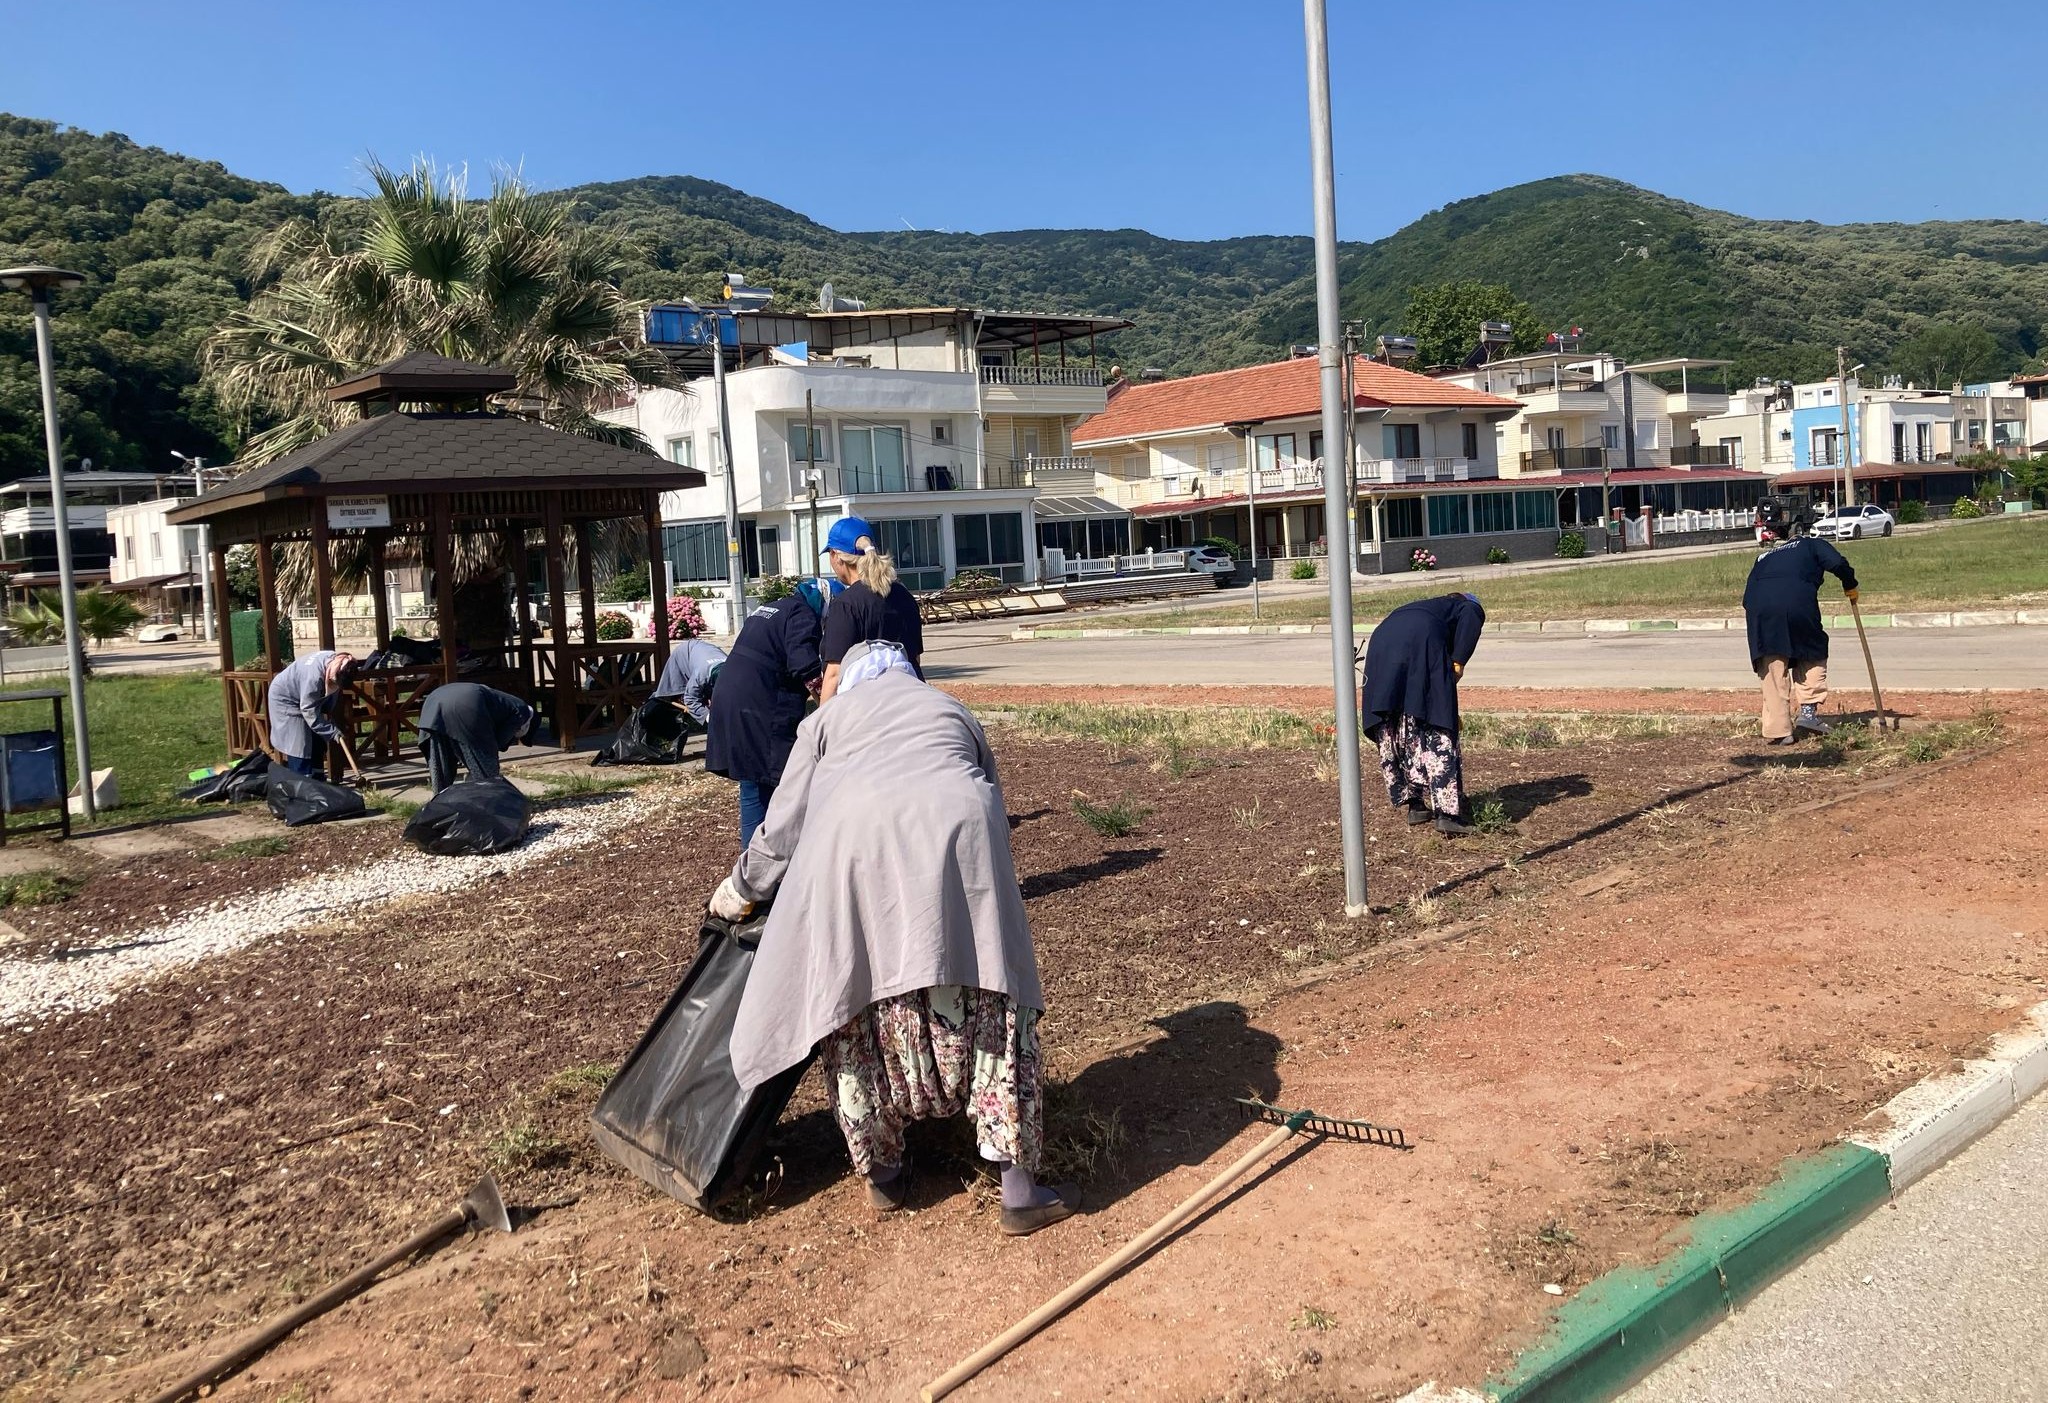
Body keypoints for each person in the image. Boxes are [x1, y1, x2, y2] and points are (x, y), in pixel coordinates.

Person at [708, 641, 1077, 1236]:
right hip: (961, 834)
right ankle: (1018, 1188)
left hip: (854, 849)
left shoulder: (825, 721)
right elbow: (994, 801)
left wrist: (739, 887)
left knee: (853, 993)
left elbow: (781, 831)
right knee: (988, 986)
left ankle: (885, 1172)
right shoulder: (950, 708)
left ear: (850, 681)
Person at [705, 580, 825, 845]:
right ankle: (768, 869)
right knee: (778, 785)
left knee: (752, 781)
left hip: (729, 698)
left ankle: (750, 867)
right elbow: (805, 665)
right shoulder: (804, 614)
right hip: (761, 705)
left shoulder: (769, 608)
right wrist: (828, 705)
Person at [1359, 593, 1486, 835]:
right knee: (1436, 723)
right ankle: (1447, 813)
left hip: (1381, 642)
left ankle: (1415, 806)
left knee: (1396, 722)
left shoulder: (1426, 606)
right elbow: (1471, 617)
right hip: (1422, 638)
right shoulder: (1467, 605)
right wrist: (1457, 664)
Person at [1743, 525, 1859, 745]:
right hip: (1797, 603)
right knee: (1811, 651)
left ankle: (1779, 730)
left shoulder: (1763, 556)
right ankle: (1808, 714)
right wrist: (1850, 583)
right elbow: (1837, 563)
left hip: (1760, 611)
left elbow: (1747, 597)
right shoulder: (1812, 544)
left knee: (1772, 664)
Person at [817, 516, 923, 702]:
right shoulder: (904, 596)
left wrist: (822, 724)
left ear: (836, 556)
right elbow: (914, 660)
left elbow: (834, 674)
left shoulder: (845, 605)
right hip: (909, 699)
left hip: (866, 708)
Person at [416, 682, 537, 791]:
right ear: (525, 727)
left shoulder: (504, 702)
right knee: (487, 772)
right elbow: (499, 742)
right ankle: (487, 801)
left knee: (441, 768)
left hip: (434, 703)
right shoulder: (521, 711)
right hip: (468, 705)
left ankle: (440, 804)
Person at [267, 650, 364, 781]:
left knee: (318, 740)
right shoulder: (313, 678)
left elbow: (331, 693)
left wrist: (329, 719)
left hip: (304, 697)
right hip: (286, 699)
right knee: (299, 744)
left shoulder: (338, 662)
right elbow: (308, 710)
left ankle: (318, 782)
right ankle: (302, 785)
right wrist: (331, 731)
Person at [651, 637, 729, 749]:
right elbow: (690, 699)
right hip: (684, 654)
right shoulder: (700, 675)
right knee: (671, 694)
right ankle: (664, 734)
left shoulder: (734, 670)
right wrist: (708, 717)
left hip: (705, 652)